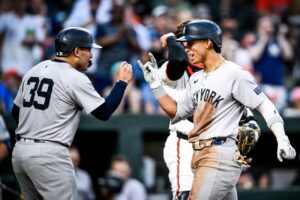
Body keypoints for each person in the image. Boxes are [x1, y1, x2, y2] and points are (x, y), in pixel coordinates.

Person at [138, 19, 296, 200]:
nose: (186, 48)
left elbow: (265, 105)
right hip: (199, 153)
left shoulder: (234, 73)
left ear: (207, 42)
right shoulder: (197, 78)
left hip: (219, 154)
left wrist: (282, 138)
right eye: (184, 43)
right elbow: (177, 111)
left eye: (190, 43)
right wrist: (154, 85)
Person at [10, 27, 133, 200]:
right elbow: (104, 112)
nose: (91, 55)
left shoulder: (34, 69)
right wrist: (121, 82)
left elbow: (16, 112)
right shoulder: (74, 76)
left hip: (20, 152)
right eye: (88, 50)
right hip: (49, 155)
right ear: (76, 51)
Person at [159, 19, 261, 200]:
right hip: (184, 143)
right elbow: (178, 60)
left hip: (216, 151)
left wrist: (249, 121)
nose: (190, 46)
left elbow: (240, 109)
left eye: (195, 41)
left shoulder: (220, 71)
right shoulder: (169, 67)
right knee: (186, 196)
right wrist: (171, 40)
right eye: (186, 42)